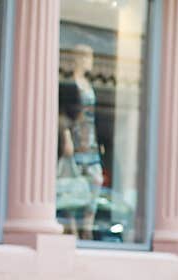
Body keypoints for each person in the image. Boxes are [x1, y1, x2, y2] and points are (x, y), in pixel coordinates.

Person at [58, 43, 103, 240]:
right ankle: (74, 228)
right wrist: (66, 137)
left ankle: (87, 225)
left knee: (96, 180)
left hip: (90, 141)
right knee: (73, 184)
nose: (90, 62)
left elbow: (94, 116)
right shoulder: (69, 84)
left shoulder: (89, 85)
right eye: (86, 58)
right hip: (75, 139)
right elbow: (63, 114)